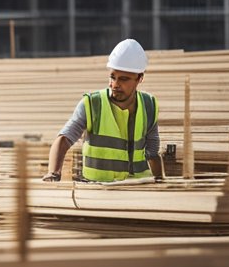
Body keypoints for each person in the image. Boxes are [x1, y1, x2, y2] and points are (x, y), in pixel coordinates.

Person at [43, 38, 163, 183]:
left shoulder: (148, 105)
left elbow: (152, 153)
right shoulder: (93, 104)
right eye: (112, 77)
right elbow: (64, 139)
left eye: (123, 79)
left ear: (140, 78)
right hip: (97, 190)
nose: (115, 84)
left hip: (137, 188)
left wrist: (160, 182)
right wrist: (53, 173)